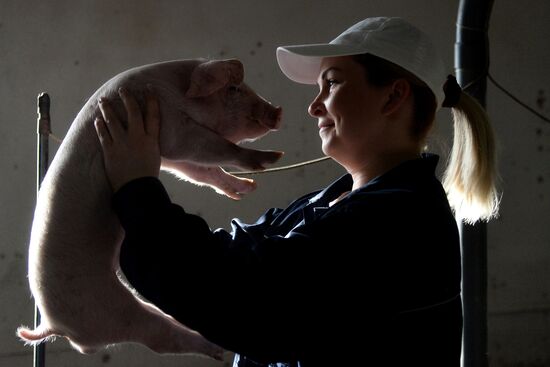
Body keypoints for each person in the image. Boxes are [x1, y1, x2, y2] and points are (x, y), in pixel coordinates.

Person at [94, 17, 499, 366]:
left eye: (332, 84)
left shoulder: (398, 222)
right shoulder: (332, 203)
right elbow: (235, 256)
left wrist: (136, 189)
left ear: (393, 96)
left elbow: (246, 298)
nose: (314, 106)